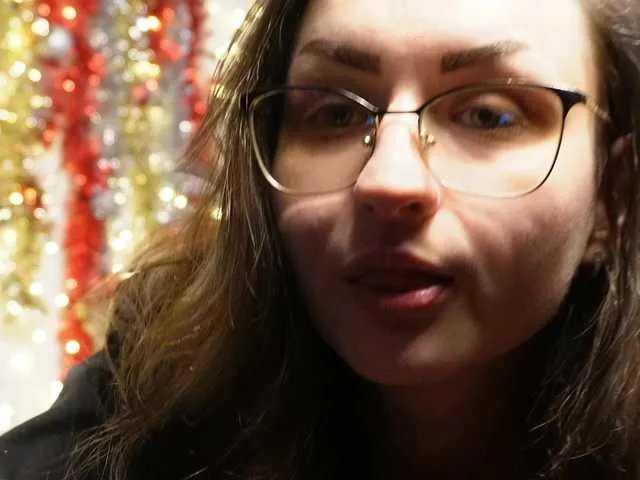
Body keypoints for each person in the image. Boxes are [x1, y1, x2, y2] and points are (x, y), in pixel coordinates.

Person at [2, 0, 640, 478]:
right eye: (335, 112)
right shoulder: (159, 387)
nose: (388, 181)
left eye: (488, 116)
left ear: (611, 198)